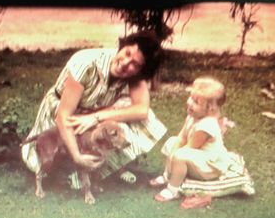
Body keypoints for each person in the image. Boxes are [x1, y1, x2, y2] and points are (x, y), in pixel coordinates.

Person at [21, 30, 167, 190]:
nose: (126, 63)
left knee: (136, 115)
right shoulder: (87, 62)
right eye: (127, 53)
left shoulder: (136, 76)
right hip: (62, 111)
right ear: (123, 46)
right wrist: (77, 156)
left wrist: (97, 117)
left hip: (92, 113)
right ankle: (77, 168)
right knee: (48, 162)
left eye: (135, 64)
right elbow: (63, 117)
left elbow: (142, 111)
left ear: (142, 70)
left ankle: (113, 165)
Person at [150, 76, 237, 202]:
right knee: (172, 143)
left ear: (210, 109)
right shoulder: (192, 116)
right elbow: (182, 137)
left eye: (196, 102)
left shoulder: (207, 125)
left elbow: (190, 147)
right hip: (197, 155)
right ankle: (167, 175)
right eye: (191, 98)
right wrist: (172, 153)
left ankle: (173, 189)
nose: (190, 103)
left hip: (210, 165)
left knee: (180, 156)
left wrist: (175, 156)